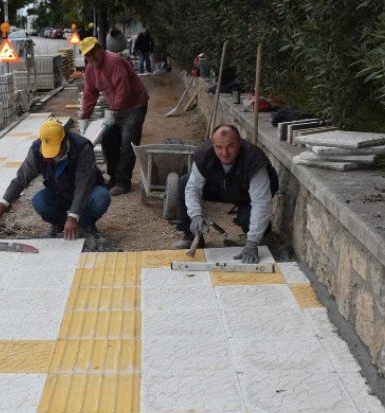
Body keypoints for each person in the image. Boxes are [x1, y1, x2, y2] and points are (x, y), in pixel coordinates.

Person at [0, 119, 111, 240]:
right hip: (60, 192)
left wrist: (73, 216)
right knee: (40, 201)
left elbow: (83, 185)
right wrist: (2, 205)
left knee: (101, 198)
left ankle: (85, 224)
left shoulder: (81, 147)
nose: (51, 156)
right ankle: (60, 224)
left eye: (54, 150)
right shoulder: (37, 150)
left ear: (63, 140)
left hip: (87, 192)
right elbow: (21, 179)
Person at [173, 124, 279, 264]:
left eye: (230, 146)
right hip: (218, 187)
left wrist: (253, 242)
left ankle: (262, 238)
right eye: (219, 147)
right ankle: (191, 236)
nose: (224, 153)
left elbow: (261, 202)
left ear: (240, 143)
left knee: (249, 221)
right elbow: (193, 189)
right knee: (185, 182)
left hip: (245, 193)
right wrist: (195, 216)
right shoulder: (204, 154)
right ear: (213, 144)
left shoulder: (254, 160)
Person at [78, 36, 149, 196]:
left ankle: (123, 182)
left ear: (100, 48)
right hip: (117, 108)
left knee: (127, 142)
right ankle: (113, 178)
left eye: (94, 52)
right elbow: (90, 93)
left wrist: (113, 111)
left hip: (135, 105)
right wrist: (85, 117)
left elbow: (123, 89)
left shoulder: (114, 61)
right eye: (88, 55)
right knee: (109, 139)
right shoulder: (90, 69)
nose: (92, 57)